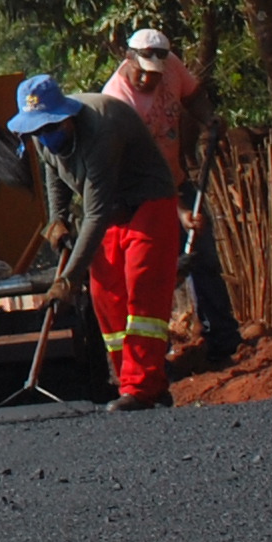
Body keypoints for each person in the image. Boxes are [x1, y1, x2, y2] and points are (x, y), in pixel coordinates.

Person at [7, 69, 184, 410]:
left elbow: (96, 213)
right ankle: (132, 384)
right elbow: (53, 173)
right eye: (38, 130)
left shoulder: (100, 130)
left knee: (142, 292)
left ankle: (142, 387)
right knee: (107, 297)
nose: (46, 135)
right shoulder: (41, 137)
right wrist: (57, 220)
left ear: (67, 116)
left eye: (51, 127)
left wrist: (67, 280)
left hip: (146, 203)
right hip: (109, 212)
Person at [107, 24, 240, 365]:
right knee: (151, 273)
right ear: (128, 58)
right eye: (143, 73)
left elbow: (194, 96)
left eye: (156, 74)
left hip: (176, 182)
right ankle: (152, 354)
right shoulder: (118, 103)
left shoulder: (172, 66)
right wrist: (179, 210)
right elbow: (141, 172)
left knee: (202, 255)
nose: (150, 80)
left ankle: (223, 340)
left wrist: (210, 121)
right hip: (141, 197)